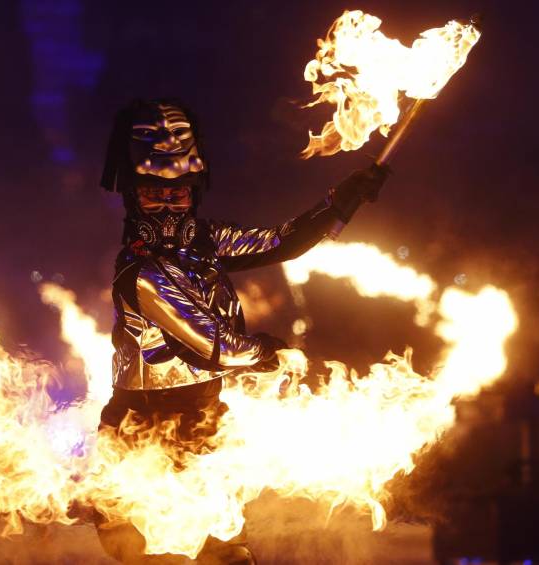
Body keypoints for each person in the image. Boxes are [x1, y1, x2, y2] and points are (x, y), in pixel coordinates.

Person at [96, 99, 387, 564]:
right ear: (134, 198)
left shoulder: (203, 243)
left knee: (229, 553)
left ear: (194, 193)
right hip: (144, 430)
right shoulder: (143, 273)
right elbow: (214, 346)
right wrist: (271, 352)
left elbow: (282, 241)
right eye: (155, 195)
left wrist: (345, 197)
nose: (169, 206)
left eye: (179, 194)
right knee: (148, 553)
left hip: (202, 419)